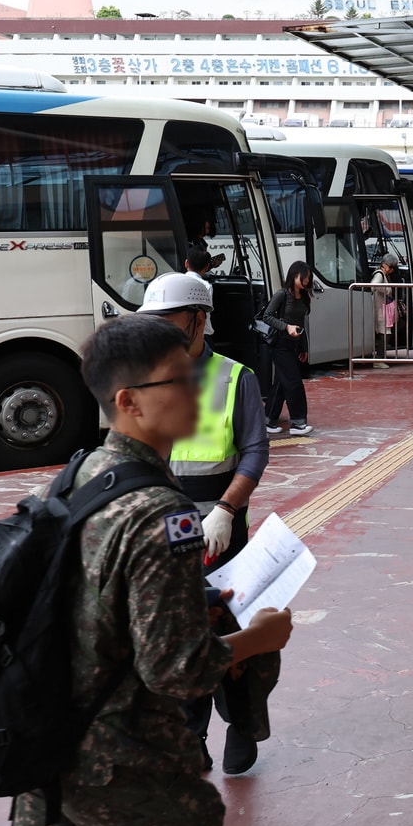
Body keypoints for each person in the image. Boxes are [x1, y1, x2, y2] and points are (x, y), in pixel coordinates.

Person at [8, 313, 292, 826]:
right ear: (128, 402)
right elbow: (177, 672)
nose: (196, 391)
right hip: (123, 767)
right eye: (178, 381)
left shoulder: (77, 477)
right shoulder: (161, 512)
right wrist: (259, 638)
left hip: (47, 750)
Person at [137, 273, 274, 776]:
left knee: (231, 631)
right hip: (168, 529)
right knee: (178, 633)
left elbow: (255, 451)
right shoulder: (148, 377)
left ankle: (242, 723)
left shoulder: (236, 378)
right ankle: (190, 732)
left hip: (221, 529)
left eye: (168, 320)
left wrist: (227, 509)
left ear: (198, 319)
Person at [262, 261, 312, 435]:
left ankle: (267, 420)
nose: (306, 281)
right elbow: (267, 316)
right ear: (294, 275)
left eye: (308, 278)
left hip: (295, 346)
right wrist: (286, 327)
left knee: (281, 384)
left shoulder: (304, 297)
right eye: (304, 277)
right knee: (293, 382)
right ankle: (298, 423)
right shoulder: (282, 294)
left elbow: (302, 324)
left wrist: (304, 348)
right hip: (280, 345)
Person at [370, 255, 403, 370]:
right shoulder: (379, 274)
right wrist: (388, 290)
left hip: (383, 308)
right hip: (381, 308)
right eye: (391, 267)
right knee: (385, 333)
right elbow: (374, 285)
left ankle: (379, 357)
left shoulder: (383, 274)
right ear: (384, 265)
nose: (392, 270)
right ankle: (378, 359)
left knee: (387, 331)